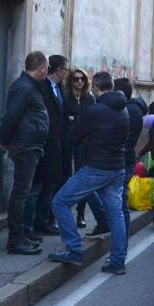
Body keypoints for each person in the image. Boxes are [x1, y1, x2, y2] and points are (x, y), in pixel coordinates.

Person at [49, 71, 129, 273]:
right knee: (116, 215)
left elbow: (73, 135)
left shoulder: (96, 110)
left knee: (60, 202)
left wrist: (87, 137)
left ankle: (74, 249)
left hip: (96, 167)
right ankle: (118, 261)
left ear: (96, 88)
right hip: (117, 167)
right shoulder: (124, 109)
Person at [0, 51, 50, 255]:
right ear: (42, 68)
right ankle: (15, 239)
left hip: (30, 144)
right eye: (46, 68)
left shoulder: (29, 86)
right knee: (21, 193)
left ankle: (21, 235)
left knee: (24, 191)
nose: (47, 71)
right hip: (25, 146)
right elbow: (11, 116)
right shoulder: (24, 87)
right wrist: (4, 140)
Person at [26, 55, 68, 239]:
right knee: (36, 187)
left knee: (50, 184)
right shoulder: (41, 86)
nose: (67, 74)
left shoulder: (59, 88)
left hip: (57, 145)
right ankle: (32, 224)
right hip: (43, 143)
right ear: (59, 70)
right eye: (66, 70)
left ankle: (44, 221)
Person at [64, 68, 98, 229]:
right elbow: (63, 118)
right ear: (70, 80)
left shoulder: (89, 99)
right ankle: (62, 212)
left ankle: (80, 213)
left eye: (82, 79)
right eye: (76, 79)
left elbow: (90, 121)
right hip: (66, 142)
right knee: (64, 176)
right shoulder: (65, 98)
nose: (79, 82)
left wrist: (74, 118)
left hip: (83, 143)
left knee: (82, 177)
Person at [115, 77, 148, 234]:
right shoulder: (136, 110)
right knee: (120, 198)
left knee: (120, 200)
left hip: (121, 158)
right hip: (127, 158)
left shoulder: (127, 111)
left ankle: (121, 237)